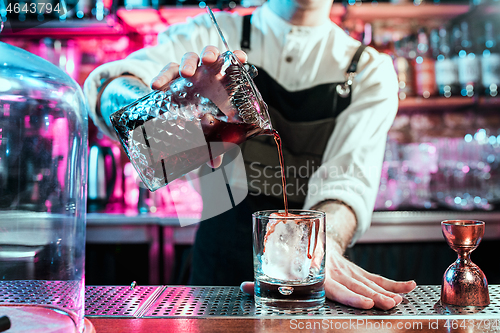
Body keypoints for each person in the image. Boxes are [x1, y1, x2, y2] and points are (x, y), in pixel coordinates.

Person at [84, 0, 416, 310]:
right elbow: (106, 88)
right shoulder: (209, 34)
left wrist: (316, 250)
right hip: (217, 278)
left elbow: (346, 182)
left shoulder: (371, 71)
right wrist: (158, 108)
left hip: (315, 276)